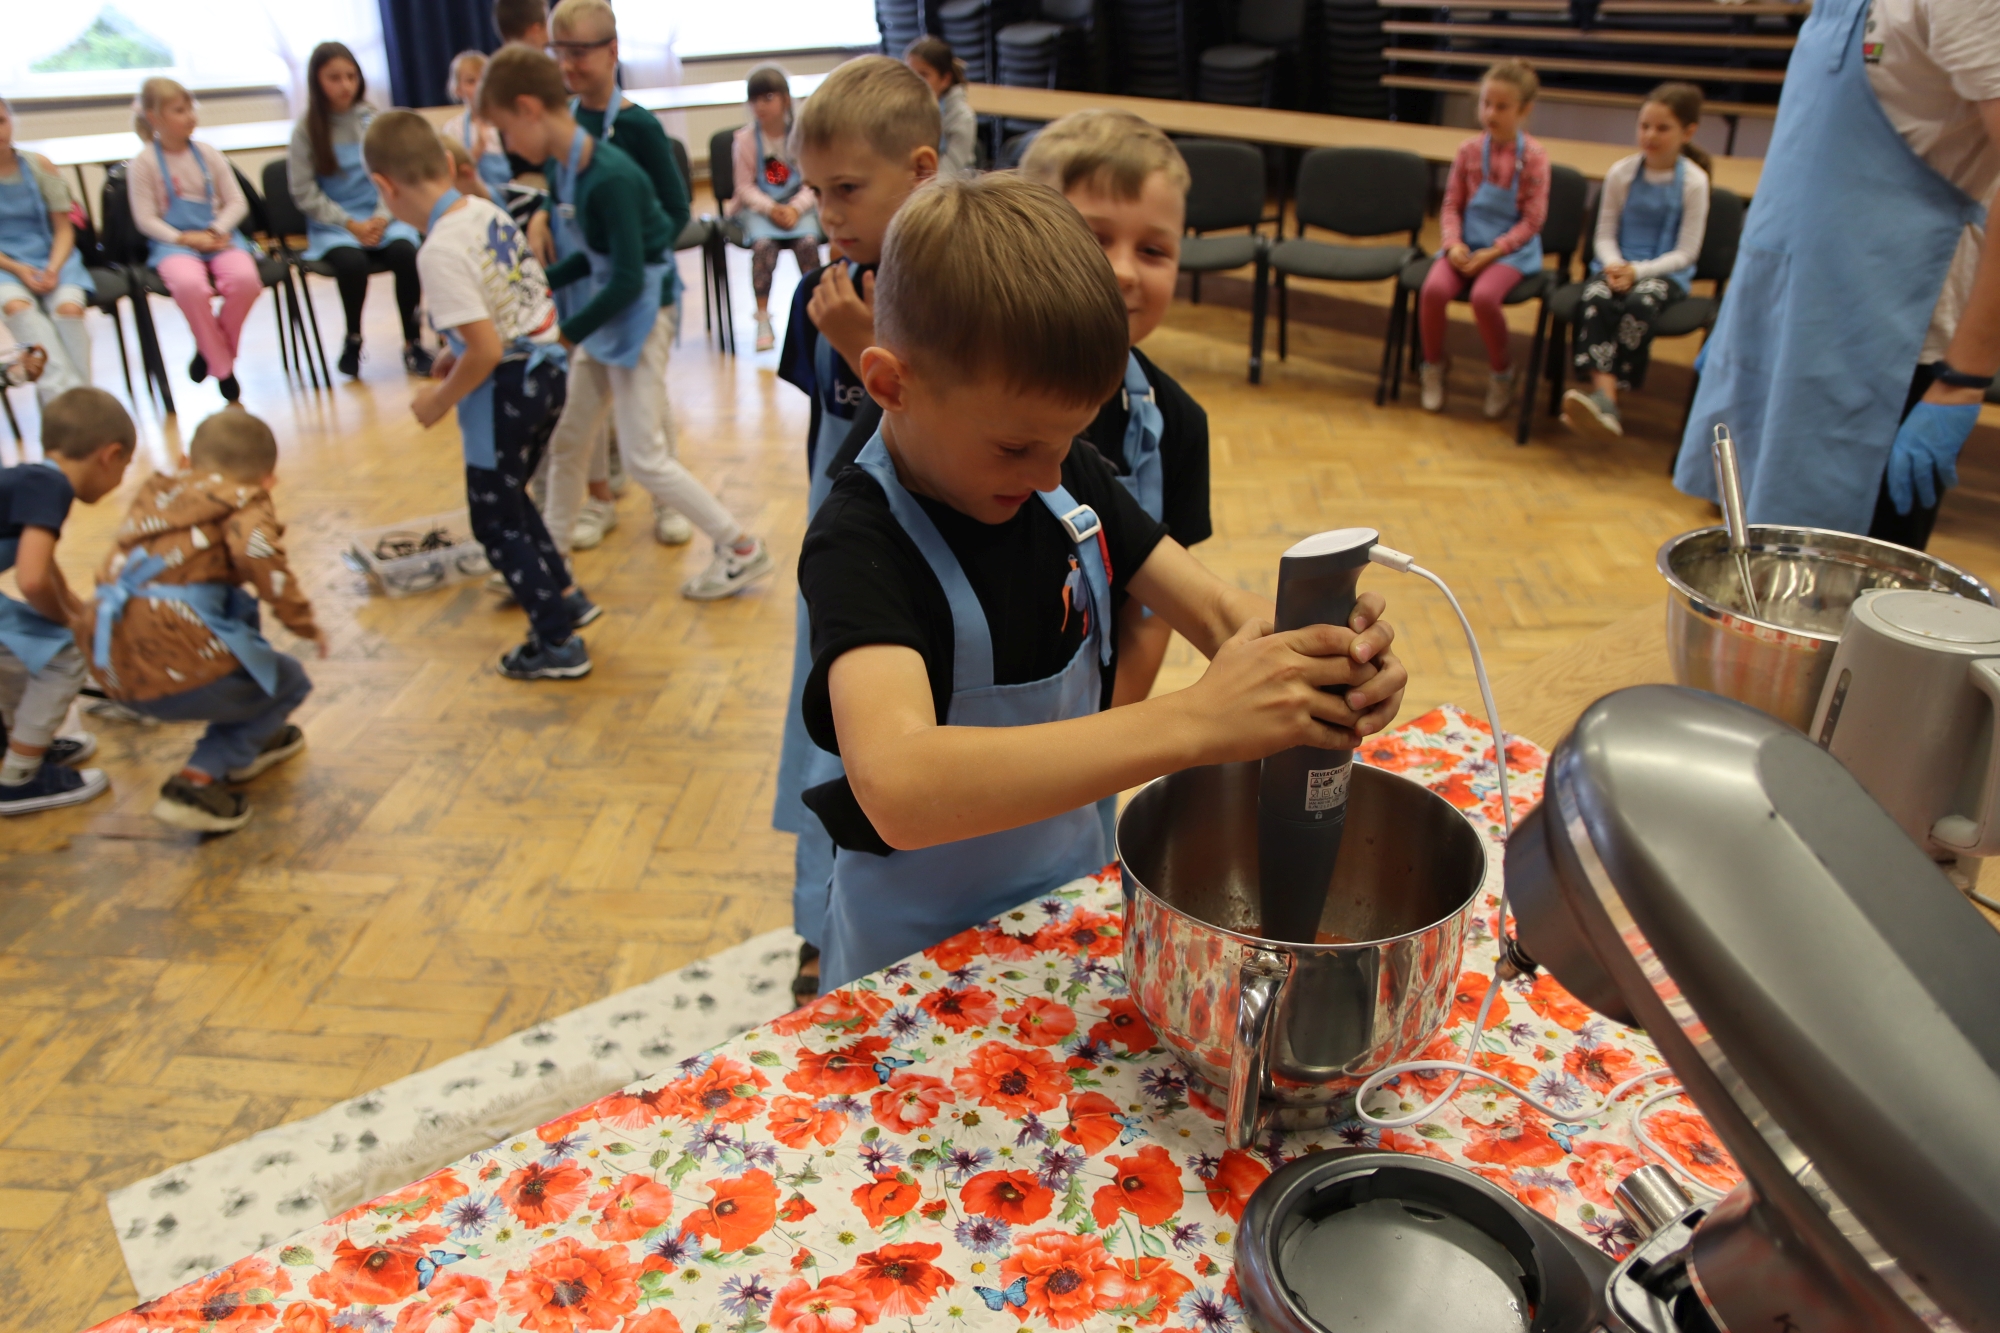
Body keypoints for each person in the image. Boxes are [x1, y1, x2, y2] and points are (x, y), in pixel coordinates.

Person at [799, 175, 1407, 991]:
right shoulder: (859, 541)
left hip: (1065, 911)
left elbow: (1216, 609)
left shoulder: (1060, 475)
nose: (1051, 474)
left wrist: (1320, 659)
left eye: (1070, 439)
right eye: (1015, 448)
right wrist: (1197, 719)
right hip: (909, 966)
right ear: (890, 384)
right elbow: (901, 787)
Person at [1676, 0, 1998, 549]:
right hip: (1781, 332)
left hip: (1885, 358)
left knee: (1845, 590)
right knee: (1758, 567)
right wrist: (1742, 317)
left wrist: (1963, 380)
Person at [479, 45, 773, 601]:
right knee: (570, 441)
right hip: (613, 312)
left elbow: (628, 280)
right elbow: (594, 260)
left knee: (644, 458)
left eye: (505, 131)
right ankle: (551, 563)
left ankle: (740, 548)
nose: (508, 146)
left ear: (528, 110)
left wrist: (561, 333)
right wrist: (534, 286)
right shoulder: (565, 167)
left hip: (641, 315)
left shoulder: (607, 177)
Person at [772, 54, 939, 1002]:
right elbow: (828, 443)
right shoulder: (824, 286)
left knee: (905, 738)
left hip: (926, 552)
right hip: (842, 547)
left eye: (847, 189)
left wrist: (861, 345)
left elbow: (942, 430)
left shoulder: (950, 287)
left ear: (920, 171)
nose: (828, 213)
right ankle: (816, 918)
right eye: (815, 192)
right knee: (824, 727)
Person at [366, 110, 594, 681]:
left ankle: (557, 643)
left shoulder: (437, 250)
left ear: (383, 186)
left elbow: (487, 350)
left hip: (506, 390)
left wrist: (438, 400)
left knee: (494, 521)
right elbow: (507, 304)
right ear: (447, 164)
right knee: (514, 498)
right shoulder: (485, 211)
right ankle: (566, 596)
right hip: (548, 374)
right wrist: (458, 351)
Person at [1022, 111, 1213, 715]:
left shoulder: (1178, 424)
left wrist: (1101, 742)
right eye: (1096, 238)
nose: (1124, 270)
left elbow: (1151, 620)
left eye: (1153, 250)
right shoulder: (946, 389)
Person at [76, 411, 320, 832]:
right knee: (289, 681)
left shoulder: (158, 493)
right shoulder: (245, 500)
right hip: (174, 668)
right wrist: (301, 620)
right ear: (268, 481)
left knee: (232, 605)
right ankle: (197, 780)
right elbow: (256, 553)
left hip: (107, 663)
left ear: (185, 461)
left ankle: (251, 737)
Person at [543, 0, 697, 551]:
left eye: (580, 52)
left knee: (646, 403)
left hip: (637, 286)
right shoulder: (563, 123)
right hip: (587, 280)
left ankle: (667, 500)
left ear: (612, 51)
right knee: (583, 406)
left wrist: (636, 256)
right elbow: (559, 194)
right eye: (560, 53)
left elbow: (677, 210)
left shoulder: (638, 126)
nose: (569, 65)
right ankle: (599, 499)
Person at [0, 388, 134, 815]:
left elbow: (44, 565)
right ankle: (19, 775)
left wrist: (78, 613)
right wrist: (72, 626)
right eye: (126, 466)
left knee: (24, 652)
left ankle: (21, 743)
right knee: (62, 654)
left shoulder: (33, 479)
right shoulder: (51, 487)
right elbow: (32, 579)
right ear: (110, 456)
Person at [1563, 83, 1712, 440]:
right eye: (1644, 126)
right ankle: (1606, 398)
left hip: (1664, 274)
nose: (1650, 135)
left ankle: (1609, 399)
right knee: (1596, 298)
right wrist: (1616, 265)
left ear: (1688, 132)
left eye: (1662, 128)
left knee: (1640, 303)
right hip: (1617, 267)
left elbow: (1686, 252)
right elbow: (1603, 234)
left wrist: (1637, 272)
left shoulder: (1694, 182)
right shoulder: (1622, 173)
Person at [288, 41, 429, 379]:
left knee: (405, 252)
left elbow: (391, 175)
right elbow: (304, 192)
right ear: (317, 81)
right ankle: (353, 339)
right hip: (336, 224)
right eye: (334, 78)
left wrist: (381, 217)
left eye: (351, 76)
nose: (345, 85)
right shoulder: (306, 128)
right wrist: (350, 223)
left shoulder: (372, 119)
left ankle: (413, 342)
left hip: (383, 215)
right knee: (352, 263)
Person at [1418, 60, 1550, 421]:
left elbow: (1533, 220)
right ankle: (1433, 365)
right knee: (1433, 291)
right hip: (1466, 244)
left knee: (1484, 297)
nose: (1491, 113)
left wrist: (1495, 252)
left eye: (1502, 107)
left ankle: (1503, 372)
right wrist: (1453, 245)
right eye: (1486, 104)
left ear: (1524, 110)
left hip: (1509, 252)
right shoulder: (1469, 151)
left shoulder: (1534, 157)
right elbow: (1451, 205)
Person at [128, 77, 261, 405]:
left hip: (219, 238)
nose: (190, 116)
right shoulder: (144, 163)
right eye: (179, 110)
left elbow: (237, 201)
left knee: (246, 282)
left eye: (191, 109)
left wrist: (214, 231)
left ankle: (208, 350)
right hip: (173, 245)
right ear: (154, 118)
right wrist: (182, 238)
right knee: (190, 287)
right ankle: (224, 369)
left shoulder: (208, 154)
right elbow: (145, 218)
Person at [0, 97, 93, 406]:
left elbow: (64, 229)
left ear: (11, 121)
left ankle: (81, 400)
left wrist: (52, 267)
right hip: (6, 266)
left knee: (68, 310)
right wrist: (19, 269)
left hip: (54, 257)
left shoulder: (40, 165)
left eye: (1, 121)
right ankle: (66, 403)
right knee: (18, 308)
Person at [727, 64, 823, 353]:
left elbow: (814, 180)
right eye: (754, 99)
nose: (760, 106)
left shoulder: (803, 135)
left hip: (799, 210)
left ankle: (816, 314)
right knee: (763, 247)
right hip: (761, 211)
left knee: (807, 244)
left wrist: (794, 209)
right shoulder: (744, 140)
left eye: (768, 97)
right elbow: (744, 187)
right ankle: (763, 318)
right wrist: (771, 209)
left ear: (785, 98)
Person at [440, 52, 516, 202]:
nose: (480, 86)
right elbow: (451, 173)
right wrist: (477, 150)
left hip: (508, 194)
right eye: (471, 81)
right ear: (458, 89)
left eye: (484, 79)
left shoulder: (505, 123)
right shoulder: (454, 128)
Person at [904, 37, 977, 181]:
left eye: (924, 75)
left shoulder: (962, 117)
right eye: (910, 74)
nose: (914, 82)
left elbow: (948, 173)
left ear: (945, 80)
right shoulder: (903, 110)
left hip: (951, 187)